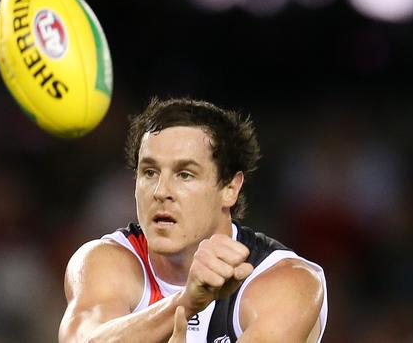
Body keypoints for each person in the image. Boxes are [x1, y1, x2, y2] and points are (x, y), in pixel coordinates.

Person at [59, 98, 328, 343]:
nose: (161, 192)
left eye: (185, 174)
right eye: (150, 172)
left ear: (230, 188)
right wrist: (187, 303)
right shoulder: (103, 262)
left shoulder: (288, 282)